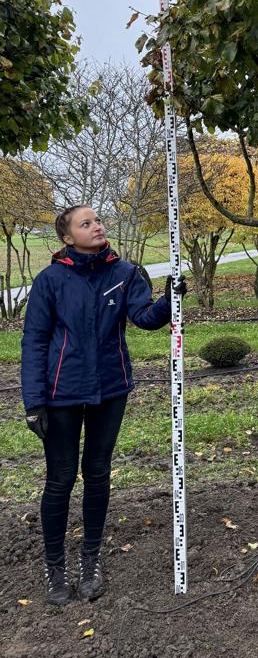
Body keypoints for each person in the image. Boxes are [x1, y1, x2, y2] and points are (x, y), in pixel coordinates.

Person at [21, 205, 187, 606]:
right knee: (60, 478)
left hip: (110, 390)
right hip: (60, 394)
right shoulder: (50, 281)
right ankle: (55, 565)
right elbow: (34, 342)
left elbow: (144, 318)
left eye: (98, 221)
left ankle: (90, 559)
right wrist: (34, 401)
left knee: (97, 473)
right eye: (86, 223)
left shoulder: (124, 274)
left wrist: (169, 301)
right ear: (67, 237)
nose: (97, 227)